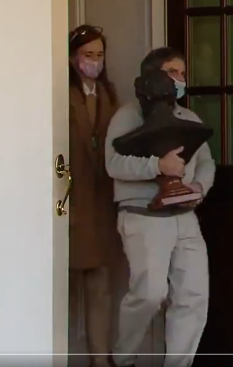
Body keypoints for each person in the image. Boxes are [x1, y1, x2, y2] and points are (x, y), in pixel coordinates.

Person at [106, 47, 216, 367]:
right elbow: (113, 164)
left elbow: (207, 163)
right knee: (150, 293)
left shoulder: (189, 117)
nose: (180, 79)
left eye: (183, 73)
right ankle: (123, 358)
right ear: (153, 75)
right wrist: (157, 166)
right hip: (143, 216)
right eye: (173, 72)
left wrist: (198, 188)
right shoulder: (127, 115)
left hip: (185, 216)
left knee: (193, 296)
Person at [68, 24, 121, 367]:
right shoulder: (60, 93)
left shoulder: (109, 95)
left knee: (100, 285)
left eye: (99, 55)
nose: (94, 61)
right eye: (88, 55)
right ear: (73, 58)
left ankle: (100, 360)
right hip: (71, 201)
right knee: (64, 284)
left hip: (101, 203)